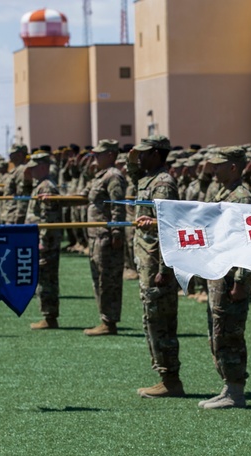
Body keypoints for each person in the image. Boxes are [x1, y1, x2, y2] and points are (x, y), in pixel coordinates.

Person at [198, 147, 251, 409]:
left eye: (219, 165)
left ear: (233, 167)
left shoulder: (243, 199)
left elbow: (249, 243)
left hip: (232, 275)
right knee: (217, 330)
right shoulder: (222, 193)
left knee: (229, 331)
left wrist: (242, 281)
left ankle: (235, 391)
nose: (214, 169)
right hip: (218, 272)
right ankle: (227, 385)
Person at [132, 136, 184, 398]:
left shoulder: (163, 184)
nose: (138, 157)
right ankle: (165, 376)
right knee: (151, 319)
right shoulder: (149, 179)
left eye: (143, 153)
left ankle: (170, 379)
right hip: (147, 262)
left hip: (157, 265)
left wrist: (165, 268)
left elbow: (168, 227)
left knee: (161, 320)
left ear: (155, 153)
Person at [82, 139, 128, 336]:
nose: (95, 158)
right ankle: (105, 318)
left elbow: (117, 206)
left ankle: (109, 322)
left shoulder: (114, 176)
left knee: (108, 280)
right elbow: (85, 196)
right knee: (99, 278)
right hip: (96, 236)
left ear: (110, 155)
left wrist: (116, 232)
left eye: (99, 154)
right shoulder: (100, 176)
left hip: (106, 237)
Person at [25, 151, 65, 330]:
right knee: (44, 278)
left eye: (34, 167)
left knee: (47, 280)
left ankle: (49, 317)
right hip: (42, 240)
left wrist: (43, 240)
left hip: (46, 242)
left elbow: (48, 218)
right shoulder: (40, 185)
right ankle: (48, 316)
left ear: (43, 167)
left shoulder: (46, 187)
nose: (31, 171)